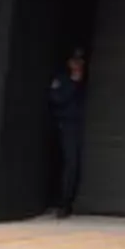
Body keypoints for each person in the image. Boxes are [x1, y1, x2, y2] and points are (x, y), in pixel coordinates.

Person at [46, 48, 88, 217]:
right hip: (67, 125)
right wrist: (73, 82)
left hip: (80, 125)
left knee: (74, 164)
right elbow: (56, 99)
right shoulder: (62, 78)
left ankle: (69, 201)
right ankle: (63, 203)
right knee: (69, 163)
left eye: (80, 61)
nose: (77, 64)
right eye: (74, 61)